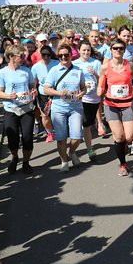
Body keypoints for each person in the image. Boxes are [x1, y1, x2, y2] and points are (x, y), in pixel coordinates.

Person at [98, 37, 133, 176]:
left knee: (129, 137)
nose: (118, 50)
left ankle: (124, 146)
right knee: (118, 136)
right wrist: (99, 91)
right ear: (111, 50)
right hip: (111, 105)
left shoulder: (131, 66)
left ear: (124, 50)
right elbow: (101, 85)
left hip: (128, 104)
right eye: (115, 48)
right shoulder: (105, 67)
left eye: (120, 48)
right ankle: (123, 164)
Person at [42, 44, 88, 172]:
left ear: (71, 55)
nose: (63, 57)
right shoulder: (54, 71)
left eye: (66, 55)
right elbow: (46, 89)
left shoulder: (78, 70)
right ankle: (64, 161)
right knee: (61, 138)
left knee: (77, 136)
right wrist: (59, 93)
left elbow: (84, 87)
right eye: (60, 55)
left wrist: (81, 94)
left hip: (75, 107)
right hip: (59, 108)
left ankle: (72, 152)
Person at [0, 45, 37, 175]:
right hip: (11, 109)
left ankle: (26, 162)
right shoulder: (2, 73)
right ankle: (14, 157)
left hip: (26, 108)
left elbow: (32, 86)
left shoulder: (26, 71)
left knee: (27, 137)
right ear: (11, 57)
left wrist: (33, 91)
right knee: (12, 137)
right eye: (21, 56)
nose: (24, 58)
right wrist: (9, 96)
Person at [74, 41, 103, 161]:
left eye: (88, 50)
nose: (86, 52)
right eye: (84, 50)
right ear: (79, 50)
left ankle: (86, 145)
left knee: (88, 125)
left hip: (94, 98)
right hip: (82, 98)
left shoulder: (95, 62)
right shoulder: (75, 64)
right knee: (85, 124)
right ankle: (88, 148)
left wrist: (95, 73)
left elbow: (102, 79)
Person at [30, 45, 58, 142]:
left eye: (48, 55)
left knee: (57, 113)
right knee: (45, 115)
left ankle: (61, 130)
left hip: (56, 92)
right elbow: (33, 82)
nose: (46, 57)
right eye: (43, 55)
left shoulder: (57, 64)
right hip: (43, 94)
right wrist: (34, 89)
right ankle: (50, 132)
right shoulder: (36, 67)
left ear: (51, 55)